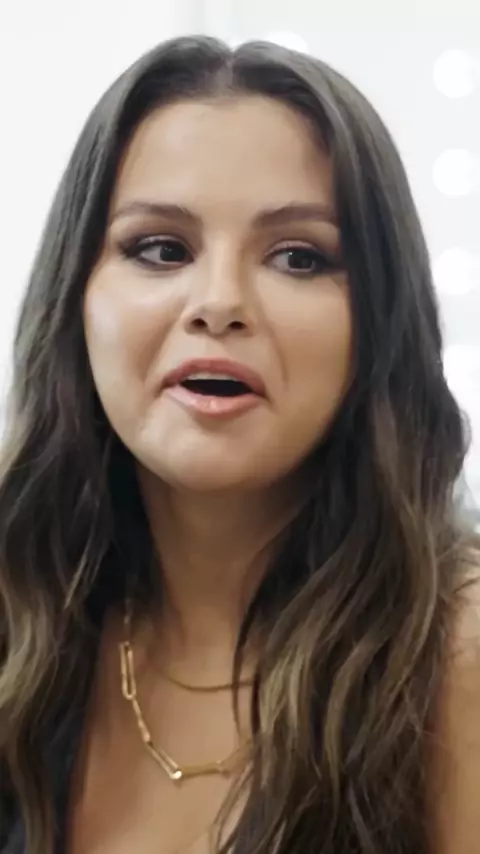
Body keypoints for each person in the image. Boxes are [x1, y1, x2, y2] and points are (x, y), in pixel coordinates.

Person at [0, 34, 479, 854]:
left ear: (379, 324)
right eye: (161, 249)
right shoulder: (23, 613)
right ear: (75, 298)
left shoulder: (455, 657)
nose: (219, 303)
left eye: (299, 257)